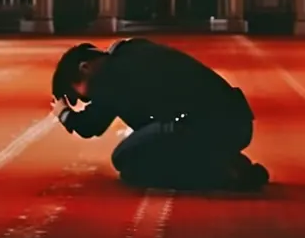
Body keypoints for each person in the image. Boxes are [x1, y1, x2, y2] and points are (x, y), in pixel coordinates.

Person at [51, 38, 269, 192]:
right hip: (235, 121)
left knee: (128, 161)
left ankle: (224, 175)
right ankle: (224, 160)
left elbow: (90, 126)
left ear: (85, 68)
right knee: (149, 143)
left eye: (81, 94)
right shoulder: (132, 51)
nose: (88, 100)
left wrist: (63, 113)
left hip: (210, 127)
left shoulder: (111, 75)